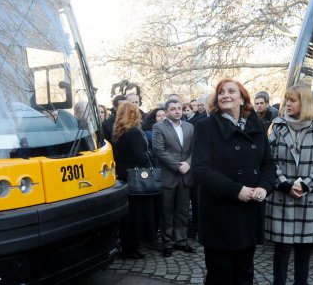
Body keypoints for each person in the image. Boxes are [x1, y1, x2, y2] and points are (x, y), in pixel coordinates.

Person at [191, 78, 276, 285]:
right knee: (220, 275)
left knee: (245, 273)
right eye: (221, 92)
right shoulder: (206, 126)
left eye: (231, 91)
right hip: (219, 214)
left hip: (249, 213)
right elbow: (200, 170)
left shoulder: (256, 126)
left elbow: (268, 164)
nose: (225, 95)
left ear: (242, 99)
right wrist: (236, 190)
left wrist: (264, 187)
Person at [266, 85, 313, 285]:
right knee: (282, 247)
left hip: (310, 196)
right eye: (286, 100)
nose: (287, 105)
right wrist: (285, 184)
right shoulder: (277, 126)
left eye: (292, 100)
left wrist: (305, 185)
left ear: (304, 102)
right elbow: (269, 160)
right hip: (282, 194)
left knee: (304, 247)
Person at [112, 103, 157, 259]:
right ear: (134, 114)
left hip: (124, 176)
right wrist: (150, 152)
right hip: (136, 177)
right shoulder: (134, 133)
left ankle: (127, 247)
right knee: (136, 215)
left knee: (127, 215)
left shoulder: (118, 133)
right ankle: (131, 248)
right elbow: (140, 157)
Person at [152, 99, 195, 257]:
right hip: (169, 175)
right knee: (167, 212)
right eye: (173, 109)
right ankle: (167, 243)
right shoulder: (158, 127)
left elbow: (196, 149)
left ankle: (181, 241)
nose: (177, 111)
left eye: (179, 108)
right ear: (167, 111)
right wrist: (178, 166)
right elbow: (159, 150)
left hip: (186, 176)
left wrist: (189, 164)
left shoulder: (190, 127)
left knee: (183, 212)